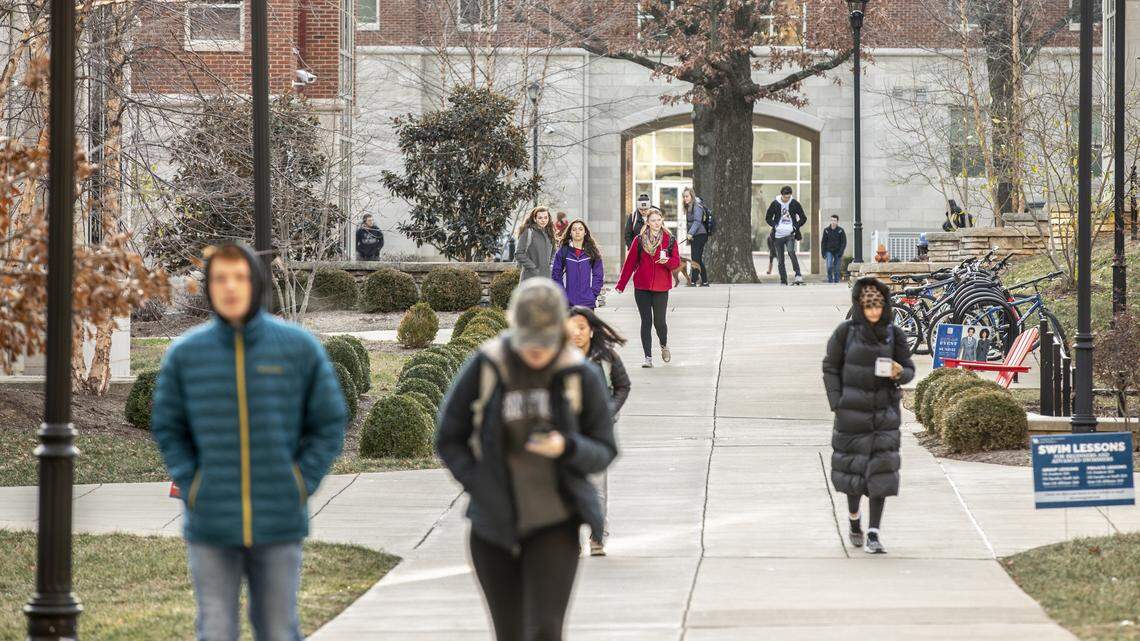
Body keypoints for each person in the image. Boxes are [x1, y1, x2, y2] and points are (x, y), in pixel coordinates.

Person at [151, 243, 346, 641]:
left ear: (256, 283)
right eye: (221, 278)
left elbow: (329, 422)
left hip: (278, 521)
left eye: (239, 277)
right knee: (216, 628)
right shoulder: (185, 355)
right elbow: (168, 427)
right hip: (211, 522)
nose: (230, 287)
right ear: (210, 287)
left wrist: (299, 482)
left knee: (277, 629)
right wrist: (194, 482)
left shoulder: (297, 348)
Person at [436, 279, 617, 641]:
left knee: (546, 631)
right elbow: (448, 437)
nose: (536, 351)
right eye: (528, 341)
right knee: (510, 633)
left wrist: (566, 447)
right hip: (493, 526)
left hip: (555, 523)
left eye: (545, 342)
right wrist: (479, 482)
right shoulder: (488, 365)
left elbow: (604, 449)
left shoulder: (579, 373)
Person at [822, 277, 915, 555]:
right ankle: (854, 520)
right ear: (860, 308)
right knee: (854, 473)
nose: (874, 313)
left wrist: (900, 373)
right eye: (868, 308)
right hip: (851, 413)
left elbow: (909, 369)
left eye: (878, 308)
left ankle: (874, 533)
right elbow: (830, 367)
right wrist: (837, 401)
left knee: (880, 474)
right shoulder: (845, 333)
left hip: (883, 414)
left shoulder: (893, 334)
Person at [566, 306, 631, 557]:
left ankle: (597, 535)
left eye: (582, 328)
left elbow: (622, 386)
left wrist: (608, 410)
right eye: (572, 328)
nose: (577, 333)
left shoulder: (606, 357)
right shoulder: (559, 357)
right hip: (568, 430)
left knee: (596, 485)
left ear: (591, 331)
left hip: (596, 431)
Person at [616, 209, 680, 368]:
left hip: (661, 287)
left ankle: (664, 345)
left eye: (659, 220)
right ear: (648, 222)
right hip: (642, 287)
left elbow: (676, 263)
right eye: (653, 220)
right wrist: (621, 285)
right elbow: (629, 263)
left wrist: (667, 262)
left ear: (662, 220)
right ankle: (648, 357)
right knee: (646, 321)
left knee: (659, 322)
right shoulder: (639, 240)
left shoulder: (669, 239)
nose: (656, 223)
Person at [551, 219, 605, 309]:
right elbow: (556, 275)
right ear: (570, 233)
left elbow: (598, 275)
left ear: (585, 232)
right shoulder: (563, 252)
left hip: (588, 302)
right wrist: (562, 295)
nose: (577, 232)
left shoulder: (592, 252)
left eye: (580, 229)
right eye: (574, 229)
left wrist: (593, 294)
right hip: (568, 303)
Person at [765, 186, 807, 285]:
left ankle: (798, 275)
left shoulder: (794, 203)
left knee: (791, 251)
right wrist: (775, 226)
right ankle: (783, 280)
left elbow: (803, 218)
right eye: (785, 197)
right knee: (780, 259)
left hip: (790, 234)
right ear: (782, 195)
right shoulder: (775, 203)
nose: (787, 199)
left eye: (789, 197)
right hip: (778, 236)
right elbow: (768, 218)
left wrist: (795, 227)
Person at [516, 206, 555, 282]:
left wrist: (551, 265)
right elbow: (519, 253)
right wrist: (533, 268)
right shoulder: (528, 232)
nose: (543, 220)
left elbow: (554, 252)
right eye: (540, 218)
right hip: (530, 278)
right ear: (535, 219)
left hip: (547, 278)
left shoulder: (550, 233)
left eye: (545, 218)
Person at [682, 187, 710, 287]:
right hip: (695, 235)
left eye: (687, 196)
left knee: (695, 259)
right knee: (697, 258)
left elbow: (697, 222)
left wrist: (690, 233)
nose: (685, 198)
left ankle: (693, 281)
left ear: (692, 196)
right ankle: (705, 281)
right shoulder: (689, 207)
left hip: (700, 235)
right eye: (684, 196)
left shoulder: (696, 206)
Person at [820, 214, 848, 284]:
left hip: (838, 251)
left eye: (835, 220)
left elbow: (844, 242)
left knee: (836, 268)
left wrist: (841, 251)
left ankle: (836, 281)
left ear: (837, 222)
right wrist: (823, 252)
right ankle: (830, 280)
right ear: (830, 221)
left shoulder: (841, 230)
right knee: (829, 266)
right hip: (829, 251)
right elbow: (823, 242)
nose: (833, 222)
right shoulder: (826, 230)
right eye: (832, 220)